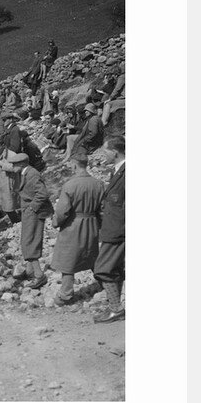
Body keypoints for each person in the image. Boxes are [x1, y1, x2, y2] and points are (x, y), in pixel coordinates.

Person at [50, 153, 106, 305]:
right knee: (92, 254)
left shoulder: (70, 185)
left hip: (73, 224)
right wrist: (99, 225)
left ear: (74, 165)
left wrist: (56, 222)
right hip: (91, 222)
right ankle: (106, 284)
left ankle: (66, 294)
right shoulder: (98, 184)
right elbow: (102, 209)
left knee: (68, 259)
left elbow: (62, 211)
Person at [9, 152, 54, 289]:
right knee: (28, 239)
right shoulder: (24, 173)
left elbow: (43, 193)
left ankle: (39, 275)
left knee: (29, 241)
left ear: (22, 164)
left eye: (15, 164)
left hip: (34, 212)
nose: (12, 167)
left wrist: (33, 208)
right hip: (28, 210)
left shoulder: (32, 174)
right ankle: (30, 271)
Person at [93, 136, 126, 323]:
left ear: (114, 152)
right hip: (113, 227)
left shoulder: (126, 172)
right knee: (114, 268)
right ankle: (115, 307)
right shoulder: (117, 171)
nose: (102, 155)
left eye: (105, 151)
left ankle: (116, 308)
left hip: (118, 229)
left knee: (103, 268)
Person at [0, 140, 21, 234]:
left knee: (9, 208)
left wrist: (3, 165)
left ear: (3, 145)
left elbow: (16, 168)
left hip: (7, 185)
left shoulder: (12, 155)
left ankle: (18, 223)